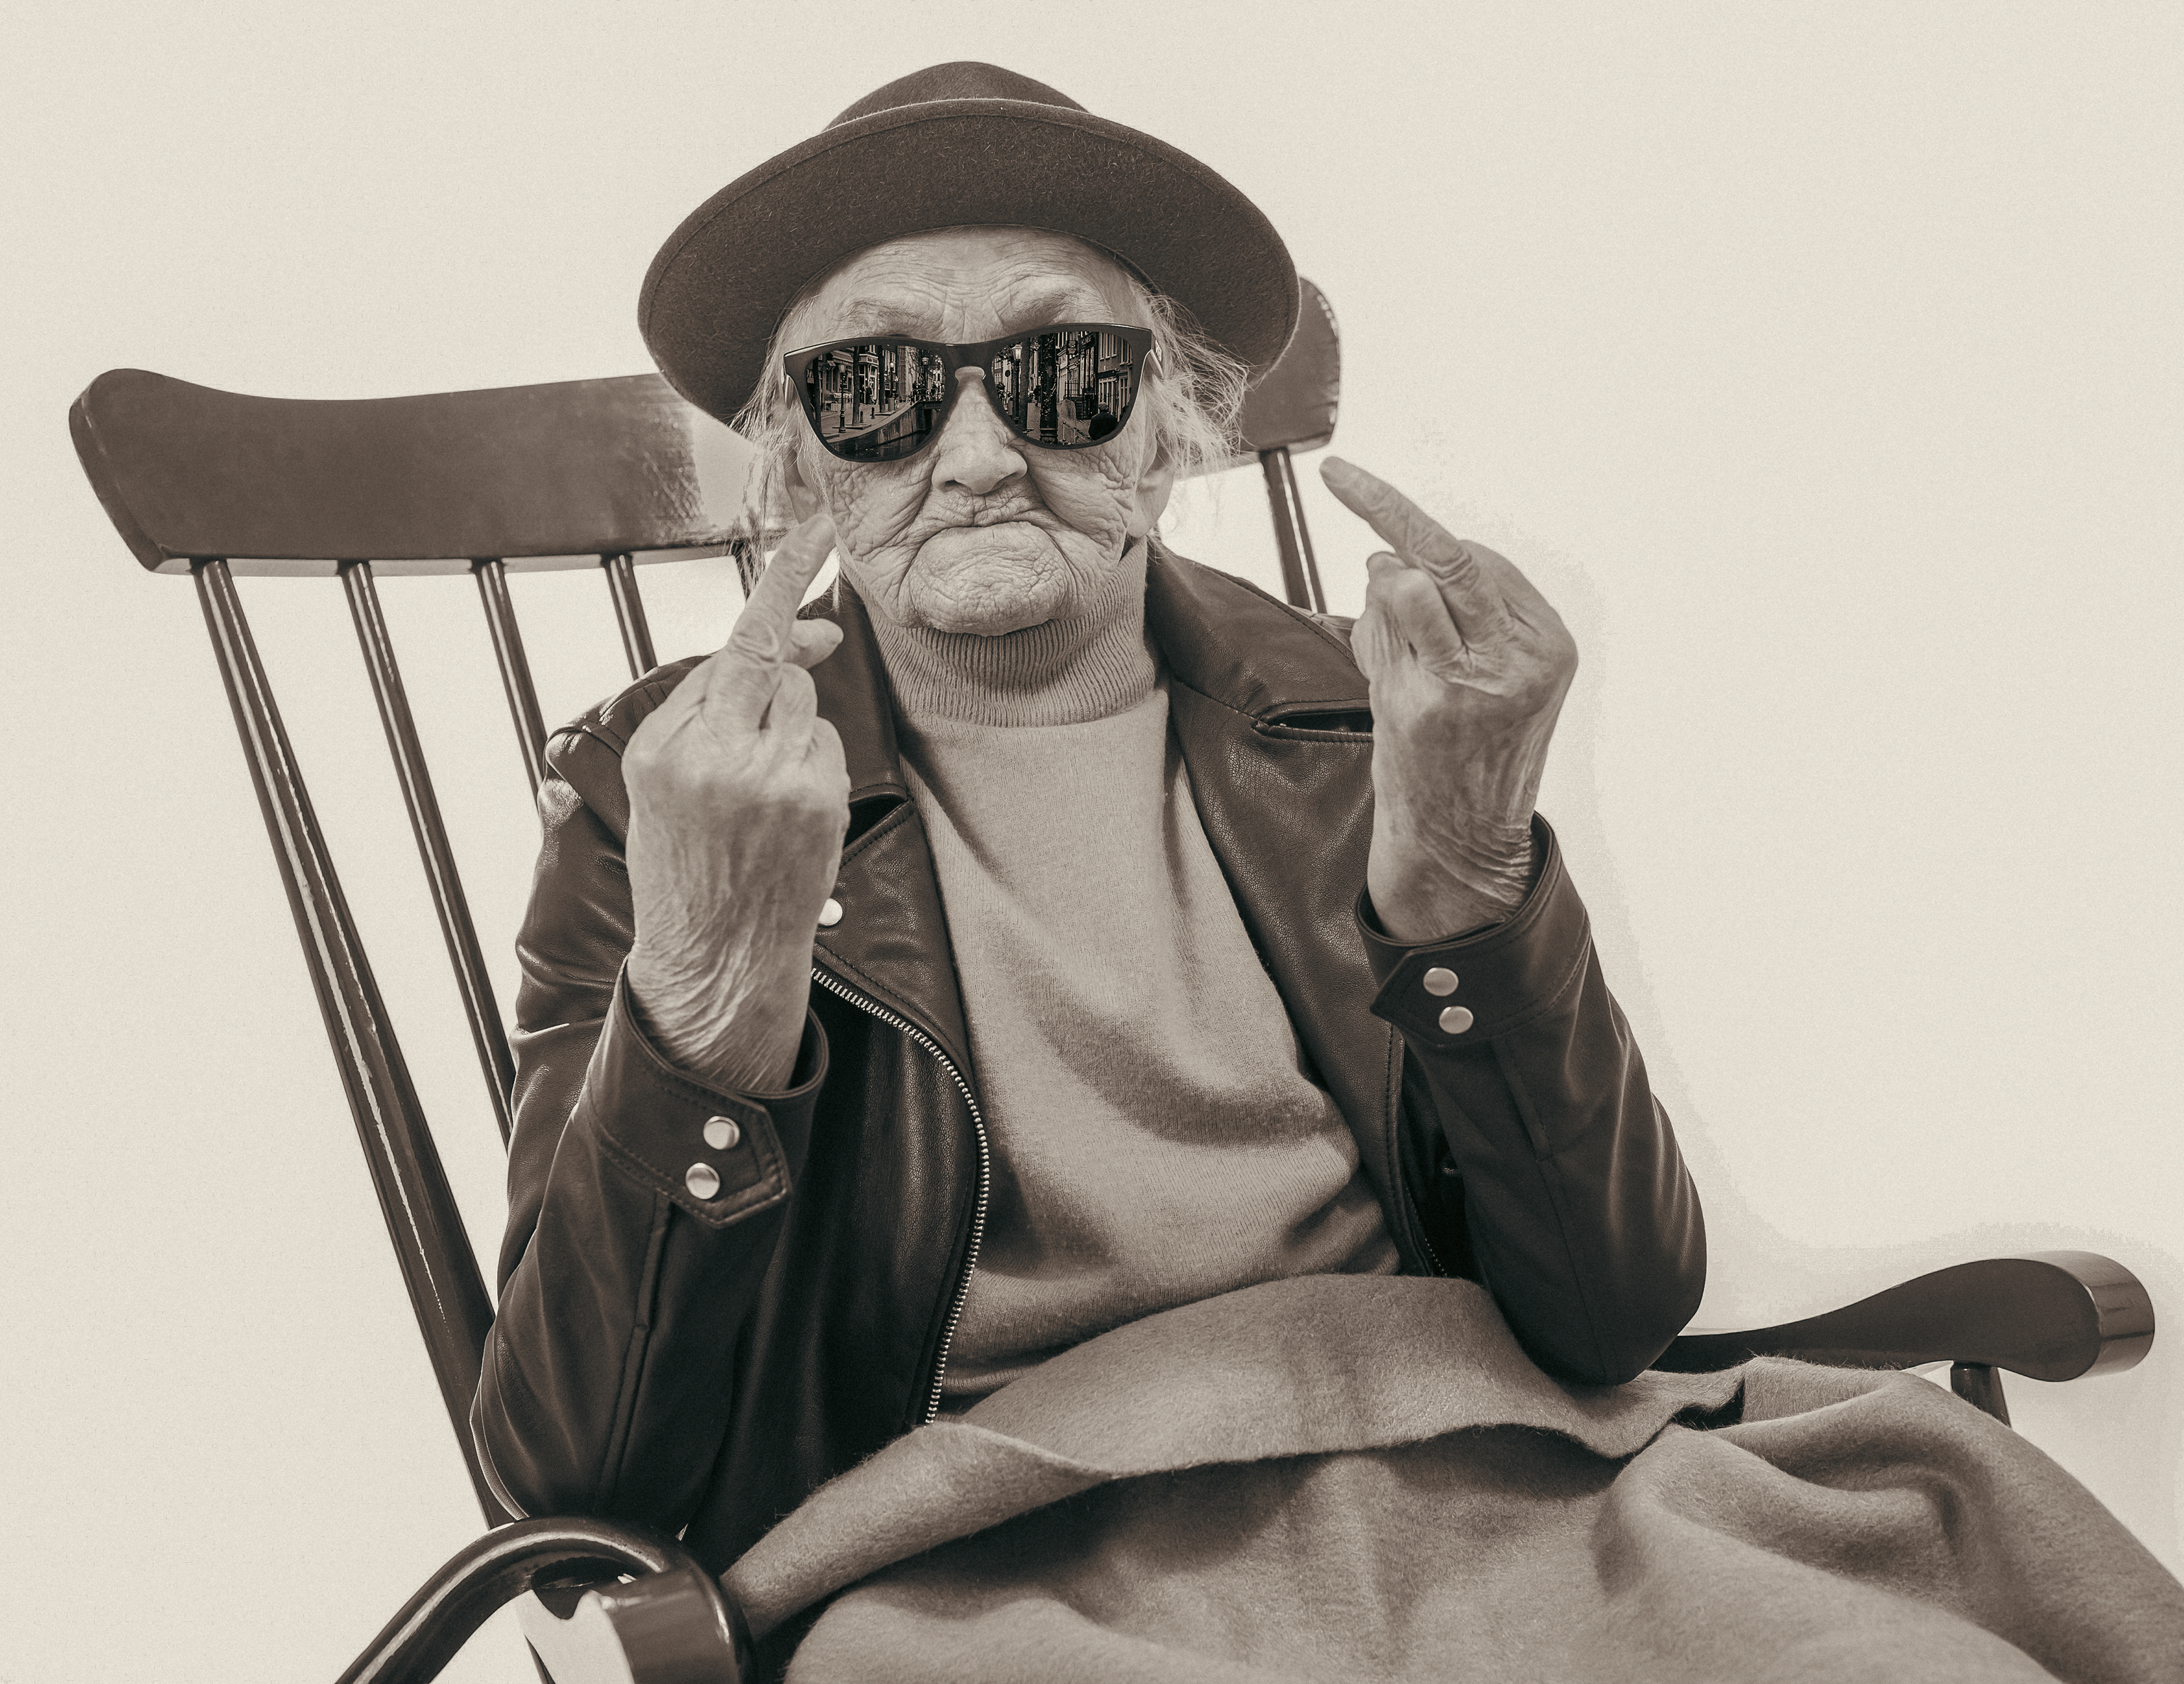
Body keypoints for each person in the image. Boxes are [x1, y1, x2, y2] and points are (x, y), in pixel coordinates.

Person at [473, 60, 1705, 1582]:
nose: (981, 459)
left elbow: (1614, 1313)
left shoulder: (1367, 718)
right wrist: (710, 998)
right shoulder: (660, 793)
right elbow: (575, 1477)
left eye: (1064, 376)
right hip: (988, 1552)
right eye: (875, 391)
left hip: (1464, 1471)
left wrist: (1469, 877)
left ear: (1170, 432)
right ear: (796, 465)